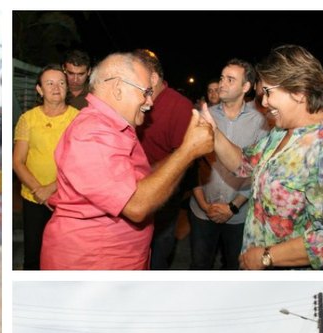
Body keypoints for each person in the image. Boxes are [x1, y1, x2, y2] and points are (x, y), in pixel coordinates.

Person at [40, 52, 214, 270]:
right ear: (118, 88)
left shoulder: (114, 127)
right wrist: (188, 150)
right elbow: (136, 205)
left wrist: (183, 152)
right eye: (146, 92)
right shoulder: (93, 133)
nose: (150, 102)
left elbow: (139, 179)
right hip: (92, 265)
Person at [199, 44, 323, 269]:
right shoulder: (282, 131)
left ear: (298, 91)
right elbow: (244, 165)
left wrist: (267, 256)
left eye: (268, 92)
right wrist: (213, 131)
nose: (264, 103)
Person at [189, 59, 269, 269]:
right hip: (201, 211)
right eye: (222, 77)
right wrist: (204, 205)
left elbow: (258, 171)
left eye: (230, 79)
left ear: (246, 87)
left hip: (239, 216)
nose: (222, 83)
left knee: (235, 268)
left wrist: (233, 207)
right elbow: (191, 164)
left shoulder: (260, 122)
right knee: (200, 267)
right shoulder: (203, 117)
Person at [13, 64, 79, 269]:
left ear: (67, 89)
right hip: (33, 199)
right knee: (33, 254)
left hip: (67, 198)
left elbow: (80, 164)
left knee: (65, 256)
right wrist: (38, 190)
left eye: (61, 83)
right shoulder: (28, 119)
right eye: (49, 83)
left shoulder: (78, 119)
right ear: (40, 90)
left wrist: (49, 189)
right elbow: (17, 161)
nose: (56, 87)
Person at [134, 48, 195, 269]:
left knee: (159, 251)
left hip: (163, 193)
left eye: (136, 75)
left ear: (153, 78)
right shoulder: (133, 100)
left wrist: (153, 173)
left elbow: (185, 157)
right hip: (132, 189)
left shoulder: (180, 106)